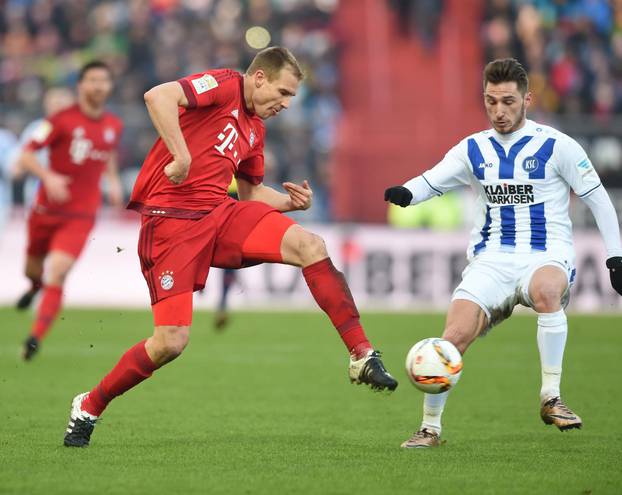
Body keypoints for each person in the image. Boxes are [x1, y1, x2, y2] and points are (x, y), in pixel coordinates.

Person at [63, 46, 397, 448]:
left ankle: (361, 354)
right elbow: (158, 95)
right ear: (259, 78)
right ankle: (90, 404)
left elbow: (252, 192)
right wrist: (181, 154)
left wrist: (291, 202)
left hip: (220, 215)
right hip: (171, 224)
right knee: (170, 342)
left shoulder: (255, 128)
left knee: (310, 245)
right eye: (284, 92)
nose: (287, 104)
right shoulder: (223, 84)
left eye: (292, 97)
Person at [385, 58, 622, 448]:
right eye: (491, 101)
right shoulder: (473, 148)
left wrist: (615, 257)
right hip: (491, 258)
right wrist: (408, 193)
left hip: (545, 253)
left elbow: (598, 199)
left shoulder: (558, 145)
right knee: (451, 340)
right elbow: (433, 180)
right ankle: (430, 428)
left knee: (547, 292)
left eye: (508, 101)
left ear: (527, 99)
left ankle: (551, 397)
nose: (499, 111)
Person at [14, 61, 124, 360]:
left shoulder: (114, 124)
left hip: (81, 215)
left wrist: (112, 181)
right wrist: (48, 176)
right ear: (81, 86)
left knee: (58, 271)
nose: (98, 86)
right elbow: (26, 154)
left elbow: (109, 152)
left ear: (109, 86)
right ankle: (34, 286)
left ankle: (35, 337)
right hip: (45, 210)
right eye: (92, 80)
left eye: (104, 80)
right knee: (33, 270)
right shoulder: (60, 120)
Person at [12, 87, 75, 209]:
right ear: (46, 105)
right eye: (54, 103)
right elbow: (18, 166)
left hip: (75, 191)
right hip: (40, 189)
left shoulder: (81, 130)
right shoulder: (40, 128)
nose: (59, 108)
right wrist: (45, 175)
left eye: (63, 103)